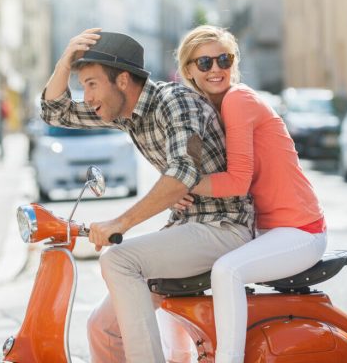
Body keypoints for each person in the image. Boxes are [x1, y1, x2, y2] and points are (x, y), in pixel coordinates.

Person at [41, 28, 255, 362]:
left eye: (92, 84)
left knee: (119, 258)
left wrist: (121, 222)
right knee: (102, 328)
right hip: (187, 229)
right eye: (83, 85)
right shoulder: (127, 115)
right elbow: (55, 111)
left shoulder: (176, 101)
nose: (87, 95)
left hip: (224, 227)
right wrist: (66, 59)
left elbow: (183, 173)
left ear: (122, 80)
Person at [173, 25, 328, 363]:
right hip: (266, 231)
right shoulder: (206, 109)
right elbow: (202, 173)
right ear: (188, 70)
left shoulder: (238, 100)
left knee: (227, 271)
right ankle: (179, 357)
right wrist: (179, 190)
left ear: (234, 63)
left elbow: (237, 182)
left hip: (299, 230)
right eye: (204, 63)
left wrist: (181, 183)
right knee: (172, 265)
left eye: (224, 60)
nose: (216, 69)